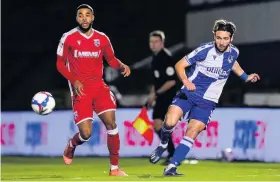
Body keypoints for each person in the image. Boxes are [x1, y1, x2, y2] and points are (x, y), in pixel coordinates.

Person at [149, 19, 260, 176]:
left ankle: (172, 167)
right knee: (169, 121)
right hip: (189, 93)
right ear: (214, 36)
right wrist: (186, 81)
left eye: (225, 38)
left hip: (207, 101)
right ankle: (164, 143)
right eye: (219, 38)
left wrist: (246, 77)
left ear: (231, 39)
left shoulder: (233, 52)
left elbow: (232, 63)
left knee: (192, 131)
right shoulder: (204, 50)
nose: (221, 42)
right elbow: (179, 65)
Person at [56, 4, 131, 176]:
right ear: (77, 18)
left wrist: (121, 66)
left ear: (92, 18)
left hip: (99, 87)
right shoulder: (68, 37)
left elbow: (110, 59)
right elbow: (60, 64)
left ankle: (114, 168)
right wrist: (74, 80)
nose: (84, 18)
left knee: (112, 124)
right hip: (80, 90)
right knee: (86, 134)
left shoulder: (102, 38)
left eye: (87, 15)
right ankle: (72, 144)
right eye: (80, 15)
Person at [146, 30, 177, 165]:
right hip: (160, 97)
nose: (153, 44)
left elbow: (172, 81)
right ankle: (172, 153)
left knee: (160, 124)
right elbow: (156, 81)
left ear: (162, 43)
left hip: (168, 97)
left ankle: (172, 153)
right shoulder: (155, 58)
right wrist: (151, 95)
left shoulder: (166, 57)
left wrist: (156, 94)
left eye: (156, 41)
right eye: (151, 41)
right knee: (158, 125)